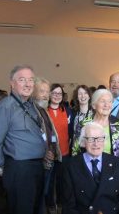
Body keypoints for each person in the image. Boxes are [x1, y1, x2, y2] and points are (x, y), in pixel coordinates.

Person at [0, 65, 46, 214]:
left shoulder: (33, 106)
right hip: (19, 169)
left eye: (31, 80)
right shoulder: (6, 106)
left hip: (37, 167)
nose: (28, 84)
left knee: (35, 209)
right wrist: (5, 168)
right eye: (22, 80)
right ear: (12, 83)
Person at [62, 122, 119, 214]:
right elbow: (68, 207)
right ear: (83, 142)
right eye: (91, 139)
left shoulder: (118, 163)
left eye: (100, 139)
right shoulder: (71, 166)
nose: (96, 144)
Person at [72, 89, 119, 177]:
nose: (107, 105)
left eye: (109, 101)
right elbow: (75, 151)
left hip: (113, 172)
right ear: (94, 105)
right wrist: (79, 175)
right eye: (102, 101)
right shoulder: (83, 125)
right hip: (87, 173)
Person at [32, 77, 61, 214]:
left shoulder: (43, 109)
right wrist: (45, 151)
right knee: (40, 194)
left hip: (51, 156)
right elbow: (34, 137)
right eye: (41, 91)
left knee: (47, 191)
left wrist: (53, 148)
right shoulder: (32, 110)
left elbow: (49, 133)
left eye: (47, 92)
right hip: (41, 159)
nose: (45, 95)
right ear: (33, 92)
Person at [47, 83, 73, 212]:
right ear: (49, 94)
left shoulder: (67, 111)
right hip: (49, 154)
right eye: (54, 93)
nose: (57, 96)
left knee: (63, 182)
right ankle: (51, 205)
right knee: (49, 182)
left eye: (59, 93)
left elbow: (72, 131)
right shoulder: (44, 111)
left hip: (65, 153)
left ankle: (61, 204)